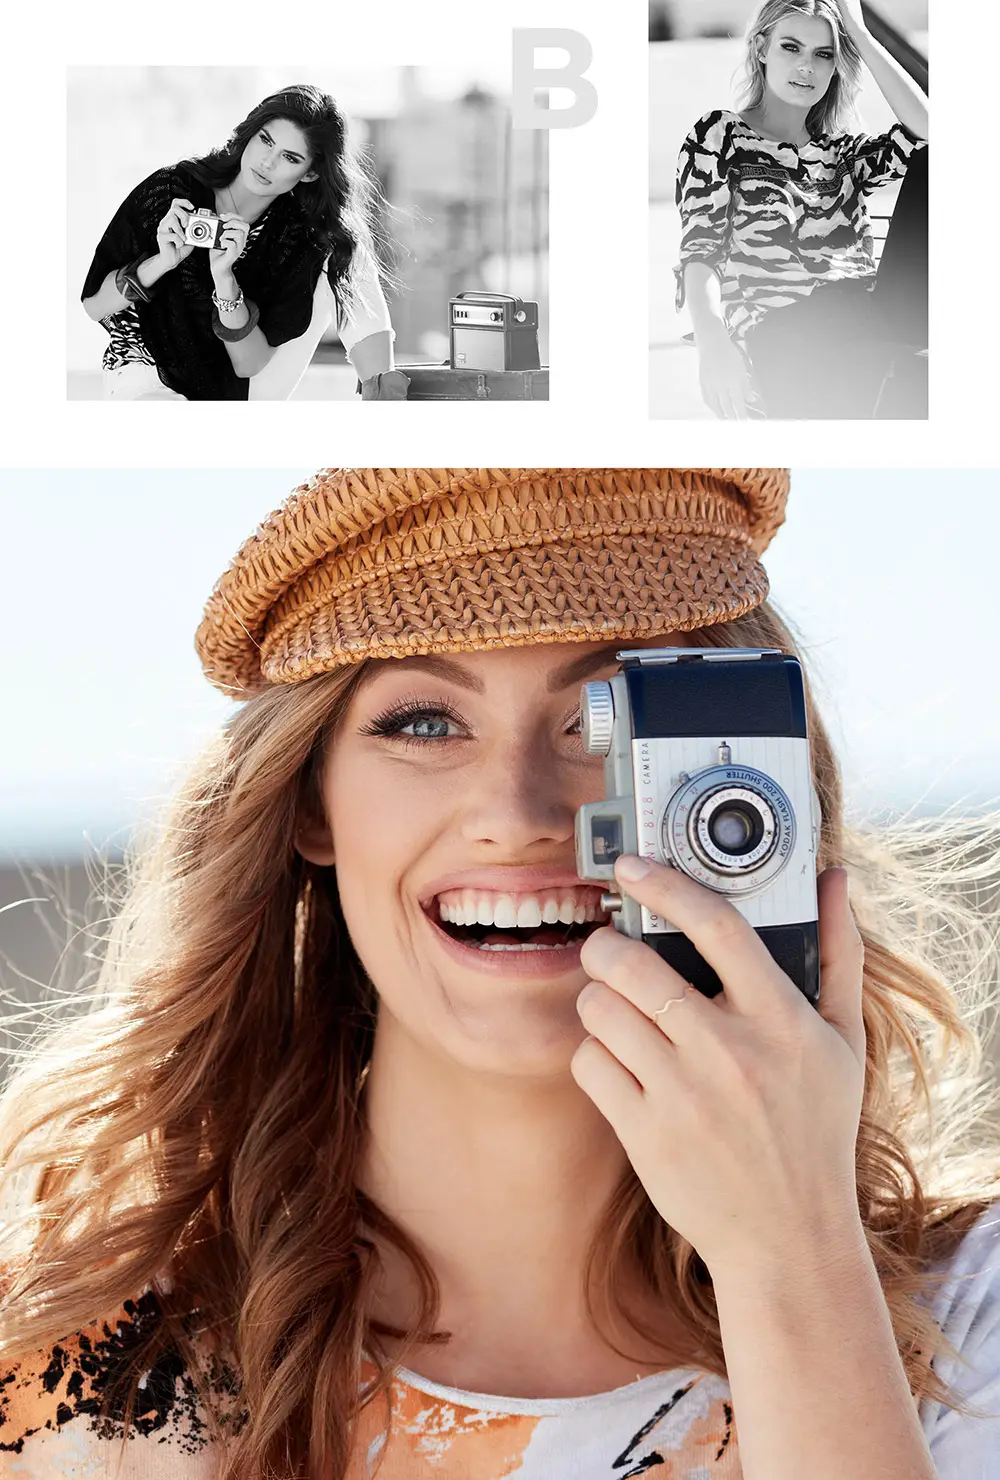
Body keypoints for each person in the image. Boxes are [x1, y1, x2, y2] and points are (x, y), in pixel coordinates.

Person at [2, 468, 999, 1480]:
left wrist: (791, 1256)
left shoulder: (970, 1322)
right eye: (426, 723)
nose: (518, 811)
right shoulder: (77, 1381)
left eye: (602, 722)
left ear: (757, 781)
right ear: (310, 804)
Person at [675, 0, 928, 419]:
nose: (806, 67)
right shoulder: (720, 134)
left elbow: (930, 129)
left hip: (872, 313)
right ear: (761, 48)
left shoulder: (840, 150)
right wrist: (713, 344)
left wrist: (861, 36)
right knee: (926, 378)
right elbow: (701, 251)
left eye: (823, 54)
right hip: (787, 332)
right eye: (791, 48)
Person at [81, 85, 396, 401]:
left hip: (233, 385)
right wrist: (161, 262)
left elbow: (249, 364)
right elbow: (95, 305)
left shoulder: (294, 238)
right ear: (250, 132)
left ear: (310, 173)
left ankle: (386, 399)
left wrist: (224, 279)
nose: (267, 162)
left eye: (289, 157)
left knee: (343, 247)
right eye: (265, 140)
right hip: (145, 378)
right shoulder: (173, 190)